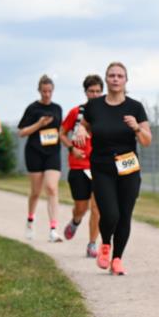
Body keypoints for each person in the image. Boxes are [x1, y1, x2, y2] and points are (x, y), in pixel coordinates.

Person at [73, 61, 151, 276]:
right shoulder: (95, 106)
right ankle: (105, 243)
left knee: (125, 214)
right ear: (106, 79)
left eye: (120, 76)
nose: (116, 79)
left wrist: (136, 127)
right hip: (102, 167)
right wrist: (80, 131)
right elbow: (84, 125)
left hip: (128, 167)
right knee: (110, 213)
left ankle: (117, 258)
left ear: (126, 80)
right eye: (112, 75)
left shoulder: (135, 107)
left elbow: (147, 140)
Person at [60, 74, 104, 257]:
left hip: (99, 166)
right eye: (91, 91)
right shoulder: (76, 113)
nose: (94, 94)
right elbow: (61, 133)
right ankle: (76, 221)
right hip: (79, 166)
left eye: (98, 91)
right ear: (85, 92)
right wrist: (72, 148)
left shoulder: (107, 113)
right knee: (82, 207)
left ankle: (92, 243)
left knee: (97, 208)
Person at [18, 75, 64, 242]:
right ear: (39, 91)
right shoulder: (32, 109)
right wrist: (39, 124)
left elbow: (61, 130)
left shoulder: (57, 108)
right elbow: (21, 132)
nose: (47, 94)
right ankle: (30, 220)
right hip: (34, 152)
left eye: (50, 91)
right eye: (44, 91)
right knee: (36, 192)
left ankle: (53, 229)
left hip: (52, 152)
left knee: (51, 188)